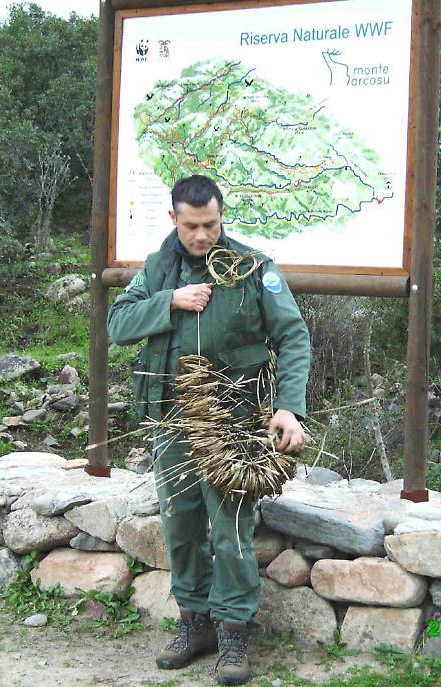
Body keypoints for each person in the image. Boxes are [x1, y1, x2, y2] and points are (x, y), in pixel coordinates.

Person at [107, 175, 311, 686]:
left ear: (222, 216)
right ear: (173, 219)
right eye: (192, 226)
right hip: (172, 419)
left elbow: (293, 337)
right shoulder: (159, 268)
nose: (202, 236)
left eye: (211, 225)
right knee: (180, 524)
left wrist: (289, 408)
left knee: (230, 527)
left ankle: (234, 631)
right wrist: (170, 301)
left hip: (234, 420)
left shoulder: (253, 268)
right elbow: (118, 324)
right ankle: (194, 623)